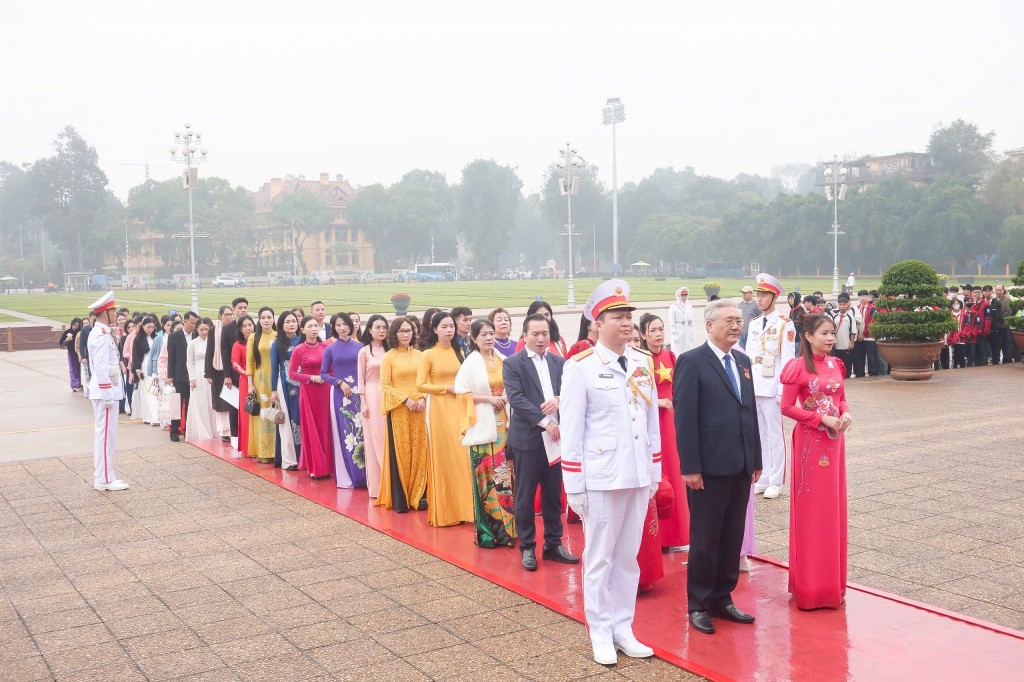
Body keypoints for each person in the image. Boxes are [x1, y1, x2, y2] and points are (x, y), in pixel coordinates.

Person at [560, 280, 659, 665]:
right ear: (597, 324)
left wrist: (655, 471)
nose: (626, 323)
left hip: (636, 473)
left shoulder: (641, 361)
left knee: (627, 557)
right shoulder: (580, 367)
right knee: (599, 557)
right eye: (617, 317)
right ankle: (600, 632)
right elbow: (572, 429)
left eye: (628, 316)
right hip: (601, 476)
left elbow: (649, 420)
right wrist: (575, 486)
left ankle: (624, 627)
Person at [675, 298, 762, 636]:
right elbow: (685, 419)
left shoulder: (742, 362)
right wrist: (691, 466)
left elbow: (749, 413)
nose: (736, 326)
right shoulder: (692, 362)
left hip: (740, 466)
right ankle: (698, 603)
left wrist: (755, 460)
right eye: (728, 320)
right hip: (707, 469)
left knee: (731, 537)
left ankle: (722, 598)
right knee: (705, 540)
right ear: (710, 325)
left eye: (739, 320)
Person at [780, 314, 852, 610]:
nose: (830, 338)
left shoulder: (836, 365)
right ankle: (810, 588)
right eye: (824, 333)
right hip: (810, 443)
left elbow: (842, 398)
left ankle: (831, 585)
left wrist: (846, 414)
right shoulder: (798, 368)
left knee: (832, 508)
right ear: (808, 336)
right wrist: (821, 418)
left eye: (832, 333)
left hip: (835, 443)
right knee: (812, 511)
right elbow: (785, 407)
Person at [504, 313, 579, 568]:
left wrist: (559, 399)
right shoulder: (514, 363)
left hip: (556, 441)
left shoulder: (559, 362)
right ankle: (527, 546)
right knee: (525, 497)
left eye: (545, 333)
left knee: (552, 495)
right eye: (535, 334)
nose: (540, 338)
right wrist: (547, 422)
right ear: (524, 336)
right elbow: (516, 399)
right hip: (529, 439)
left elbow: (571, 392)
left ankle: (553, 543)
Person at [455, 319, 515, 548]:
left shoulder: (503, 359)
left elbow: (512, 384)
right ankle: (490, 532)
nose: (489, 338)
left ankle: (508, 530)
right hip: (484, 423)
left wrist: (505, 398)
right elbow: (461, 393)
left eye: (491, 334)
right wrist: (489, 398)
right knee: (487, 478)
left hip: (503, 422)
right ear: (474, 339)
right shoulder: (471, 363)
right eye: (483, 335)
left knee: (506, 477)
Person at [417, 311, 474, 527]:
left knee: (462, 455)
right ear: (434, 329)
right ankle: (447, 511)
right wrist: (445, 388)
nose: (449, 330)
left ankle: (464, 508)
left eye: (451, 326)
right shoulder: (428, 354)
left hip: (458, 405)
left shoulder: (459, 350)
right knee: (444, 456)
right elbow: (420, 385)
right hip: (439, 407)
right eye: (444, 326)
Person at [638, 314, 688, 552]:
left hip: (671, 422)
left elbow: (680, 386)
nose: (659, 334)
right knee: (658, 472)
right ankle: (656, 535)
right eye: (653, 330)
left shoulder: (670, 356)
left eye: (661, 329)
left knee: (675, 472)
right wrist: (656, 402)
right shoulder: (639, 359)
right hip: (651, 420)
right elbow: (633, 392)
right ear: (643, 334)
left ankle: (676, 535)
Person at [744, 274, 795, 501]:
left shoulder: (785, 324)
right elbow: (747, 357)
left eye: (764, 295)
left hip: (773, 386)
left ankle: (776, 480)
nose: (760, 299)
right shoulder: (754, 324)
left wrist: (783, 390)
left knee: (775, 436)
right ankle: (763, 475)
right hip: (755, 385)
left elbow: (788, 360)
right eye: (758, 294)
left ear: (775, 297)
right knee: (759, 435)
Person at [376, 317, 428, 512]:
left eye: (408, 331)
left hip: (420, 410)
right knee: (402, 452)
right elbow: (385, 386)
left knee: (420, 450)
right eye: (401, 331)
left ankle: (419, 494)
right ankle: (402, 497)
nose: (406, 334)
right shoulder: (389, 357)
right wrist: (406, 400)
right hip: (400, 409)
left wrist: (422, 398)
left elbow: (426, 380)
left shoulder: (420, 356)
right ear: (394, 334)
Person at [86, 292, 128, 491]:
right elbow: (101, 368)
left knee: (106, 435)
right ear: (106, 314)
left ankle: (106, 475)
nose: (116, 314)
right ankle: (103, 479)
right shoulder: (101, 336)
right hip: (105, 392)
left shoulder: (102, 333)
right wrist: (108, 394)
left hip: (106, 390)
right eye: (113, 311)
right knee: (105, 436)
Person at [321, 313, 366, 488]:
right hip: (341, 396)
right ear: (334, 327)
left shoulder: (361, 347)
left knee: (362, 433)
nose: (342, 328)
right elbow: (323, 374)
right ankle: (350, 475)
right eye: (338, 325)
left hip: (360, 393)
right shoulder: (330, 349)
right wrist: (339, 382)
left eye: (345, 324)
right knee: (347, 433)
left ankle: (365, 476)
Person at [289, 316, 332, 480]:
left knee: (325, 426)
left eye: (316, 326)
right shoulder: (299, 349)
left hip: (325, 391)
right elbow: (292, 373)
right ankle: (316, 467)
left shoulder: (325, 347)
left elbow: (331, 369)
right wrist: (312, 378)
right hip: (308, 392)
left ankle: (328, 465)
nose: (314, 329)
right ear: (303, 330)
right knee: (312, 427)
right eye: (310, 326)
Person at [358, 315, 389, 498]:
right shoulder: (364, 352)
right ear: (369, 330)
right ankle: (377, 488)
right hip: (371, 394)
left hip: (388, 394)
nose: (381, 330)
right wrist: (363, 402)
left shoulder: (390, 350)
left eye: (384, 327)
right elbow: (361, 379)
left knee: (387, 438)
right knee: (374, 439)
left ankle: (390, 483)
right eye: (377, 327)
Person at [246, 307, 278, 463]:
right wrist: (250, 384)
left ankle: (276, 450)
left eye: (269, 317)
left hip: (276, 379)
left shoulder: (278, 336)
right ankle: (263, 451)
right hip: (260, 381)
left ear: (273, 319)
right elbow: (250, 361)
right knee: (263, 413)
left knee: (276, 412)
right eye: (263, 317)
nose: (266, 320)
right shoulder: (253, 337)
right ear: (259, 320)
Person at [270, 311, 301, 470]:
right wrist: (273, 390)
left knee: (303, 419)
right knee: (288, 422)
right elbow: (274, 368)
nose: (292, 324)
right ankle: (289, 460)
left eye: (294, 321)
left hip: (304, 385)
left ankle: (305, 458)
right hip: (285, 385)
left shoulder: (303, 339)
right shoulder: (276, 344)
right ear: (281, 325)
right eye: (288, 321)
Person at [166, 311, 198, 443]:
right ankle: (174, 431)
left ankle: (188, 430)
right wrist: (170, 376)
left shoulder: (197, 335)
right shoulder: (174, 336)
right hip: (179, 376)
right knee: (177, 405)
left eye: (195, 322)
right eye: (192, 322)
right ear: (185, 321)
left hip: (194, 377)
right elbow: (171, 358)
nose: (194, 325)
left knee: (191, 405)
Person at [205, 304, 235, 442]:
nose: (228, 317)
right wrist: (208, 373)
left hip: (232, 369)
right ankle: (224, 431)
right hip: (217, 370)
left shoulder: (234, 329)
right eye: (226, 315)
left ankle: (234, 429)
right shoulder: (213, 331)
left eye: (230, 314)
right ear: (219, 316)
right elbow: (210, 352)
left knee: (232, 401)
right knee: (220, 402)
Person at [185, 317, 216, 441]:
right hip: (198, 375)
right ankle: (203, 432)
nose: (204, 332)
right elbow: (189, 362)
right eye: (201, 329)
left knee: (211, 403)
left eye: (206, 329)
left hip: (211, 375)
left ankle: (215, 430)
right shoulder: (192, 343)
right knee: (200, 403)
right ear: (196, 330)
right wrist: (191, 378)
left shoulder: (213, 342)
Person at [231, 315, 255, 455]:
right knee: (248, 412)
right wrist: (248, 373)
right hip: (246, 380)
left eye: (250, 325)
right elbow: (235, 364)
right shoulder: (238, 345)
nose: (248, 328)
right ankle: (247, 446)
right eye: (244, 326)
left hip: (261, 378)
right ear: (240, 329)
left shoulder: (258, 341)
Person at [130, 317, 159, 426]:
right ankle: (150, 417)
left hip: (155, 366)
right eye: (148, 327)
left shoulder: (156, 338)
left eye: (152, 327)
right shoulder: (138, 339)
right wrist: (137, 369)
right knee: (147, 392)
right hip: (144, 366)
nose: (150, 329)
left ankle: (157, 416)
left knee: (155, 391)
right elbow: (135, 355)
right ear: (143, 326)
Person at [830, 294, 859, 378]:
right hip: (837, 343)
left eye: (844, 304)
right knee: (838, 360)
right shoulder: (835, 317)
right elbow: (832, 330)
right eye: (840, 305)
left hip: (846, 343)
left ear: (847, 305)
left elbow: (853, 331)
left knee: (847, 361)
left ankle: (847, 374)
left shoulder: (850, 317)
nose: (842, 306)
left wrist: (851, 342)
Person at [852, 290, 878, 378]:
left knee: (870, 356)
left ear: (868, 297)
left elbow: (872, 322)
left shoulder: (873, 308)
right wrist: (858, 334)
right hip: (858, 336)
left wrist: (864, 333)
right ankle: (860, 372)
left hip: (869, 336)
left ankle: (872, 372)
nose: (862, 298)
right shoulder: (856, 308)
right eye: (860, 296)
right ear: (858, 298)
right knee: (859, 356)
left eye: (864, 296)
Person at [668, 286, 694, 357]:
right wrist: (674, 334)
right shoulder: (674, 307)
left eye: (686, 295)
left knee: (688, 349)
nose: (684, 297)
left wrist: (692, 333)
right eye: (682, 295)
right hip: (679, 332)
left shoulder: (689, 306)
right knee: (678, 351)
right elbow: (672, 322)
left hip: (687, 331)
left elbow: (691, 322)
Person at [59, 318, 84, 391]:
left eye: (77, 325)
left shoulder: (81, 332)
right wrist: (67, 340)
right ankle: (75, 384)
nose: (75, 327)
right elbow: (62, 344)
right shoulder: (67, 332)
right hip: (71, 353)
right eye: (73, 325)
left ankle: (81, 383)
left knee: (81, 368)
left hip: (80, 353)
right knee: (73, 369)